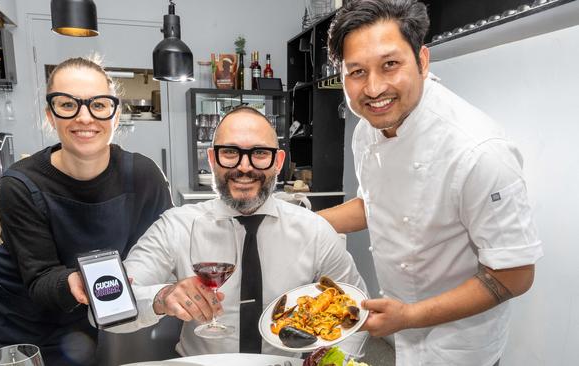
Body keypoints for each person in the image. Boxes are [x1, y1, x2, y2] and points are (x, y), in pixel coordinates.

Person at [317, 1, 544, 365]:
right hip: (404, 330)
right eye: (357, 71)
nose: (374, 88)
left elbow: (516, 276)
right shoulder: (367, 130)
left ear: (422, 61)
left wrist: (408, 315)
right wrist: (301, 223)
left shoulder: (479, 152)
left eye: (390, 64)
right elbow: (375, 204)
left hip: (464, 345)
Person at [71, 106, 367, 356]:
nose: (244, 167)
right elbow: (107, 312)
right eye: (230, 153)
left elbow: (357, 309)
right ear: (212, 159)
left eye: (259, 154)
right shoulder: (176, 226)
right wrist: (162, 297)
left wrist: (334, 361)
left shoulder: (315, 231)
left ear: (277, 162)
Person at [0, 56, 173, 366]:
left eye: (98, 105)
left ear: (115, 114)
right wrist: (74, 282)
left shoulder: (142, 174)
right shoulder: (20, 183)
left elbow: (167, 245)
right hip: (7, 317)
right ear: (50, 115)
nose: (85, 117)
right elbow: (40, 276)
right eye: (68, 104)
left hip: (83, 320)